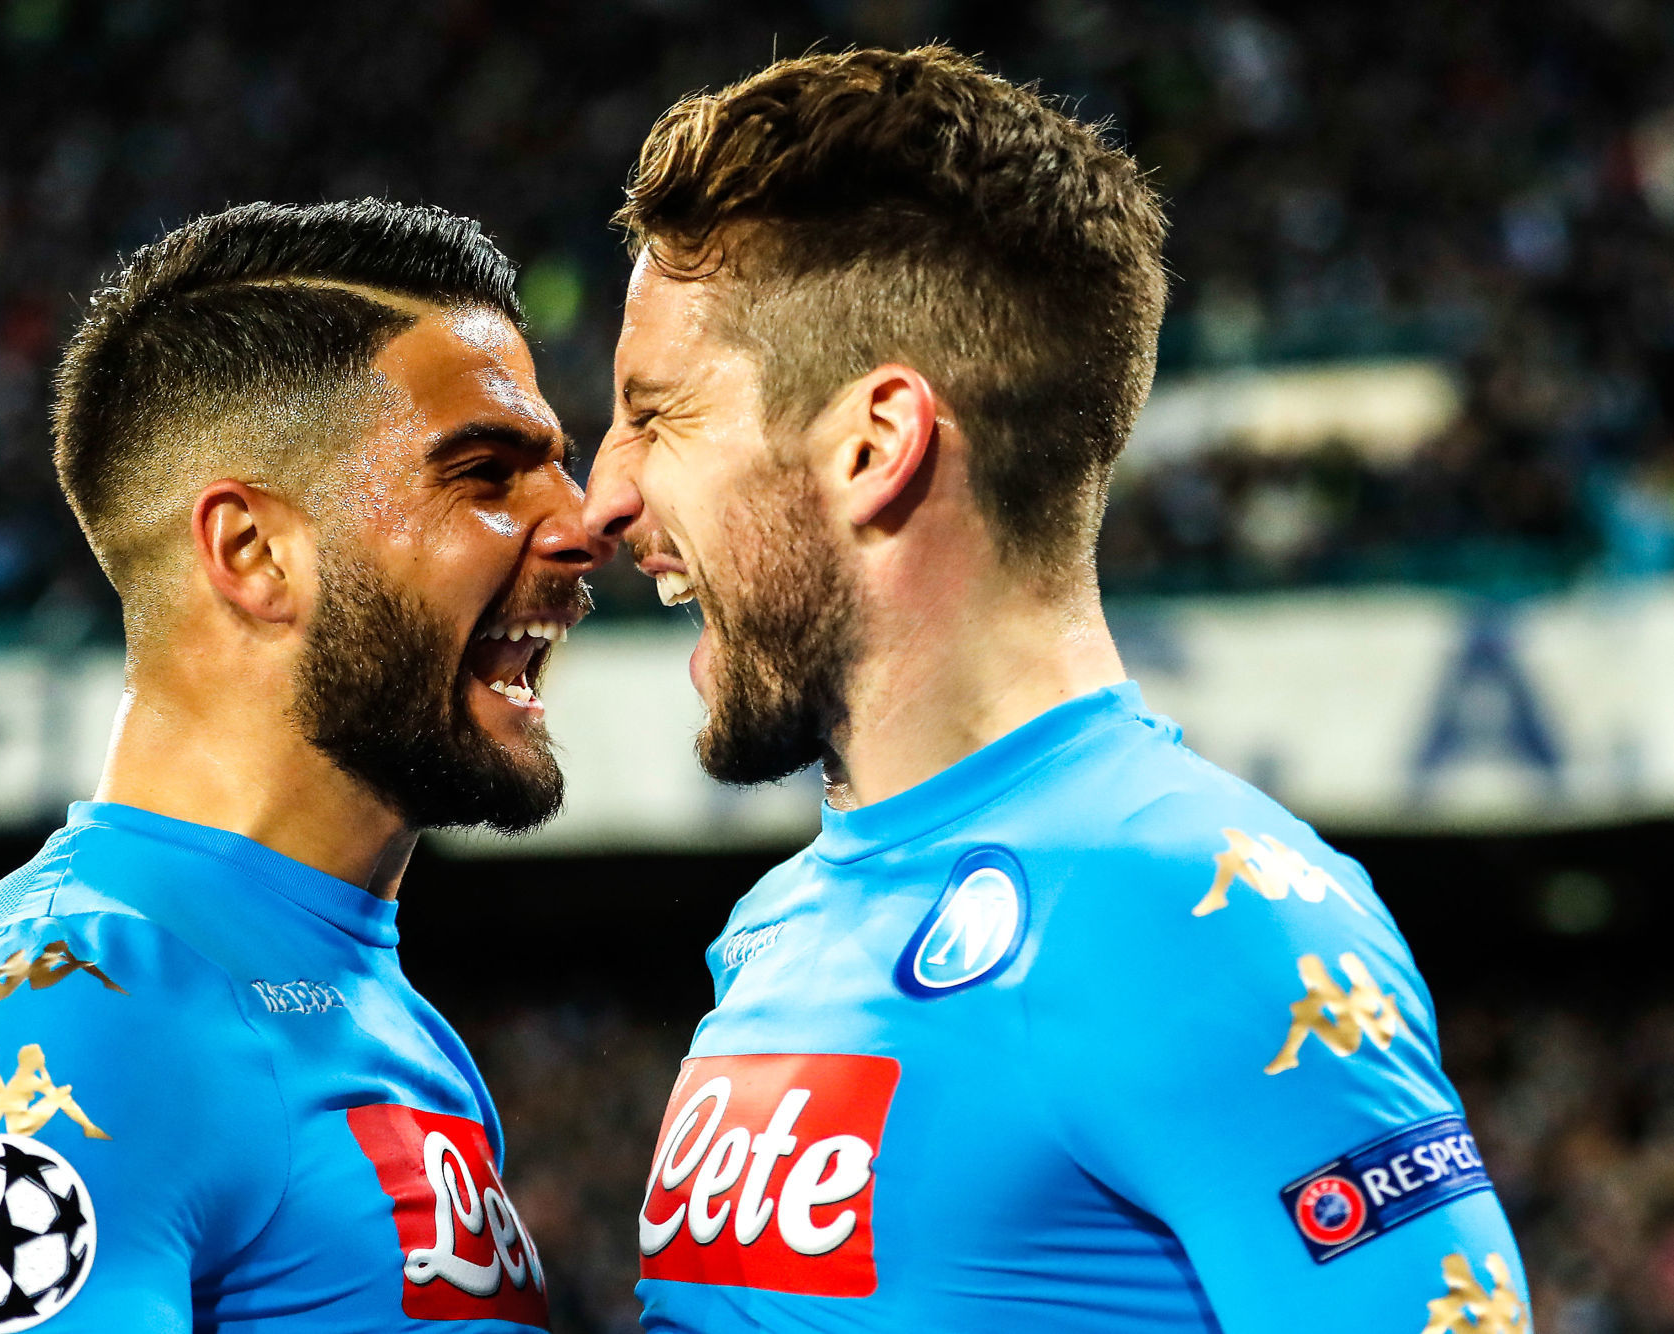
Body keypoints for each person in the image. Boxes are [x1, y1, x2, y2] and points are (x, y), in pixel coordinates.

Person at [583, 47, 1530, 1334]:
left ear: (875, 446)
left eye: (658, 414)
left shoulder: (1205, 909)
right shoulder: (779, 921)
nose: (606, 493)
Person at [0, 200, 607, 1333]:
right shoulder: (72, 1023)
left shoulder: (389, 1018)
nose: (580, 519)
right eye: (489, 474)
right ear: (253, 552)